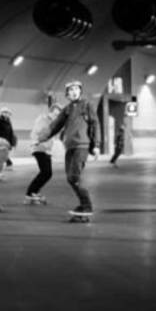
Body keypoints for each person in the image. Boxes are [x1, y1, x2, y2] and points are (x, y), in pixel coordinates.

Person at [37, 80, 100, 218]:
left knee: (74, 176)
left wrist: (95, 145)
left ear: (80, 91)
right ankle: (83, 204)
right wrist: (41, 138)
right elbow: (55, 125)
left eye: (77, 89)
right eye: (71, 90)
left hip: (82, 145)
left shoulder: (87, 105)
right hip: (70, 146)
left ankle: (87, 206)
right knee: (70, 178)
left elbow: (95, 124)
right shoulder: (67, 109)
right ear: (67, 94)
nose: (74, 91)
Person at [26, 104, 62, 204]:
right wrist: (36, 141)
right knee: (46, 172)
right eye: (55, 113)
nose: (56, 116)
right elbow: (35, 132)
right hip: (39, 147)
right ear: (51, 111)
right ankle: (31, 193)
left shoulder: (54, 122)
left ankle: (33, 192)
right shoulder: (43, 119)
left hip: (46, 149)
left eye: (58, 114)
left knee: (47, 173)